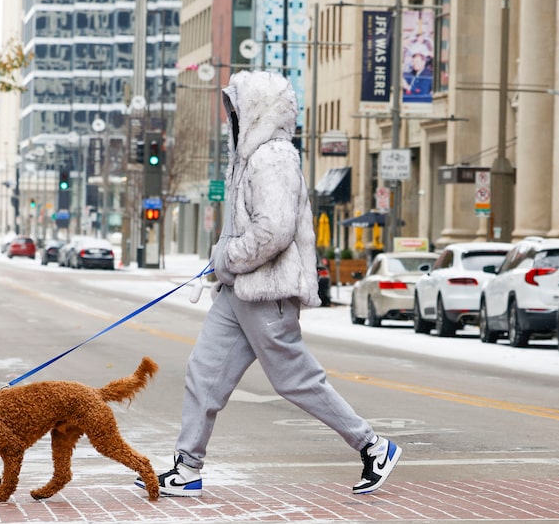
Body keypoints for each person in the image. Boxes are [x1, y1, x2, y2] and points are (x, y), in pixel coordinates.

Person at [137, 70, 401, 498]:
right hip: (237, 291)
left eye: (237, 108)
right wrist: (219, 263)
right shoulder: (247, 159)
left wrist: (227, 257)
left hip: (268, 293)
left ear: (258, 109)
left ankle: (372, 445)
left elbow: (273, 231)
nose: (232, 118)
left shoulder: (274, 157)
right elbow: (247, 228)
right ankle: (187, 468)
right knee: (203, 374)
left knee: (295, 379)